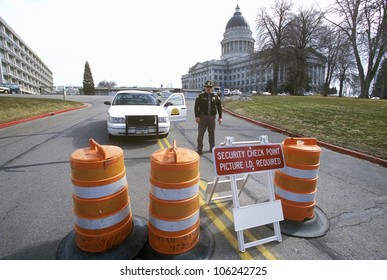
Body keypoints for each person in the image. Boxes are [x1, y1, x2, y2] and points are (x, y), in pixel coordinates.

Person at [194, 80, 222, 154]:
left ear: (212, 88)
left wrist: (220, 117)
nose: (208, 88)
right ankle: (199, 149)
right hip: (203, 117)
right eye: (207, 87)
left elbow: (219, 108)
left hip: (212, 118)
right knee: (201, 134)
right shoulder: (200, 97)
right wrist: (197, 116)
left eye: (210, 87)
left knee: (212, 133)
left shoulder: (216, 97)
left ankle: (212, 148)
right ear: (205, 88)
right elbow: (196, 107)